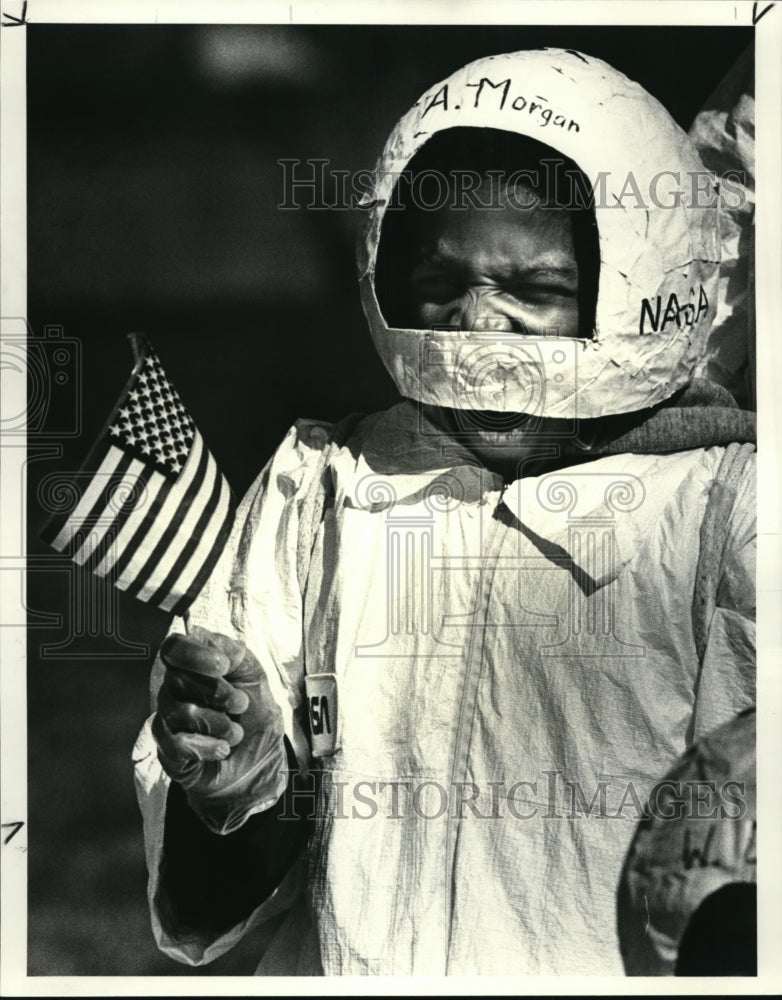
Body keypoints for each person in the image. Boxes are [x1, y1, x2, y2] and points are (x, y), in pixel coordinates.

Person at [133, 48, 756, 975]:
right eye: (441, 282)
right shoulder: (328, 484)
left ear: (632, 288)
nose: (477, 323)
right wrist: (237, 776)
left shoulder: (718, 510)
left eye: (534, 289)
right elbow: (211, 894)